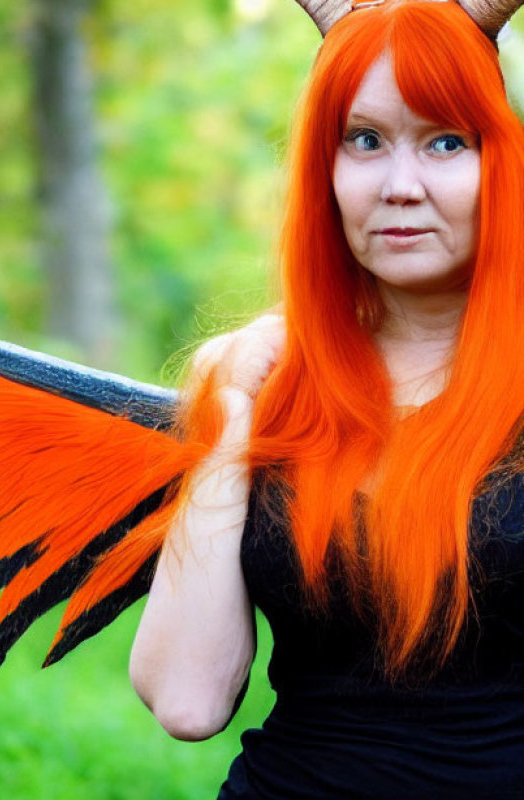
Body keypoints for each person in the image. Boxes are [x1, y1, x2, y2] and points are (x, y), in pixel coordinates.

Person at [130, 0, 524, 796]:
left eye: (446, 141)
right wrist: (229, 421)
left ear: (500, 163)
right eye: (365, 140)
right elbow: (186, 699)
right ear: (326, 168)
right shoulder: (266, 383)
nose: (401, 186)